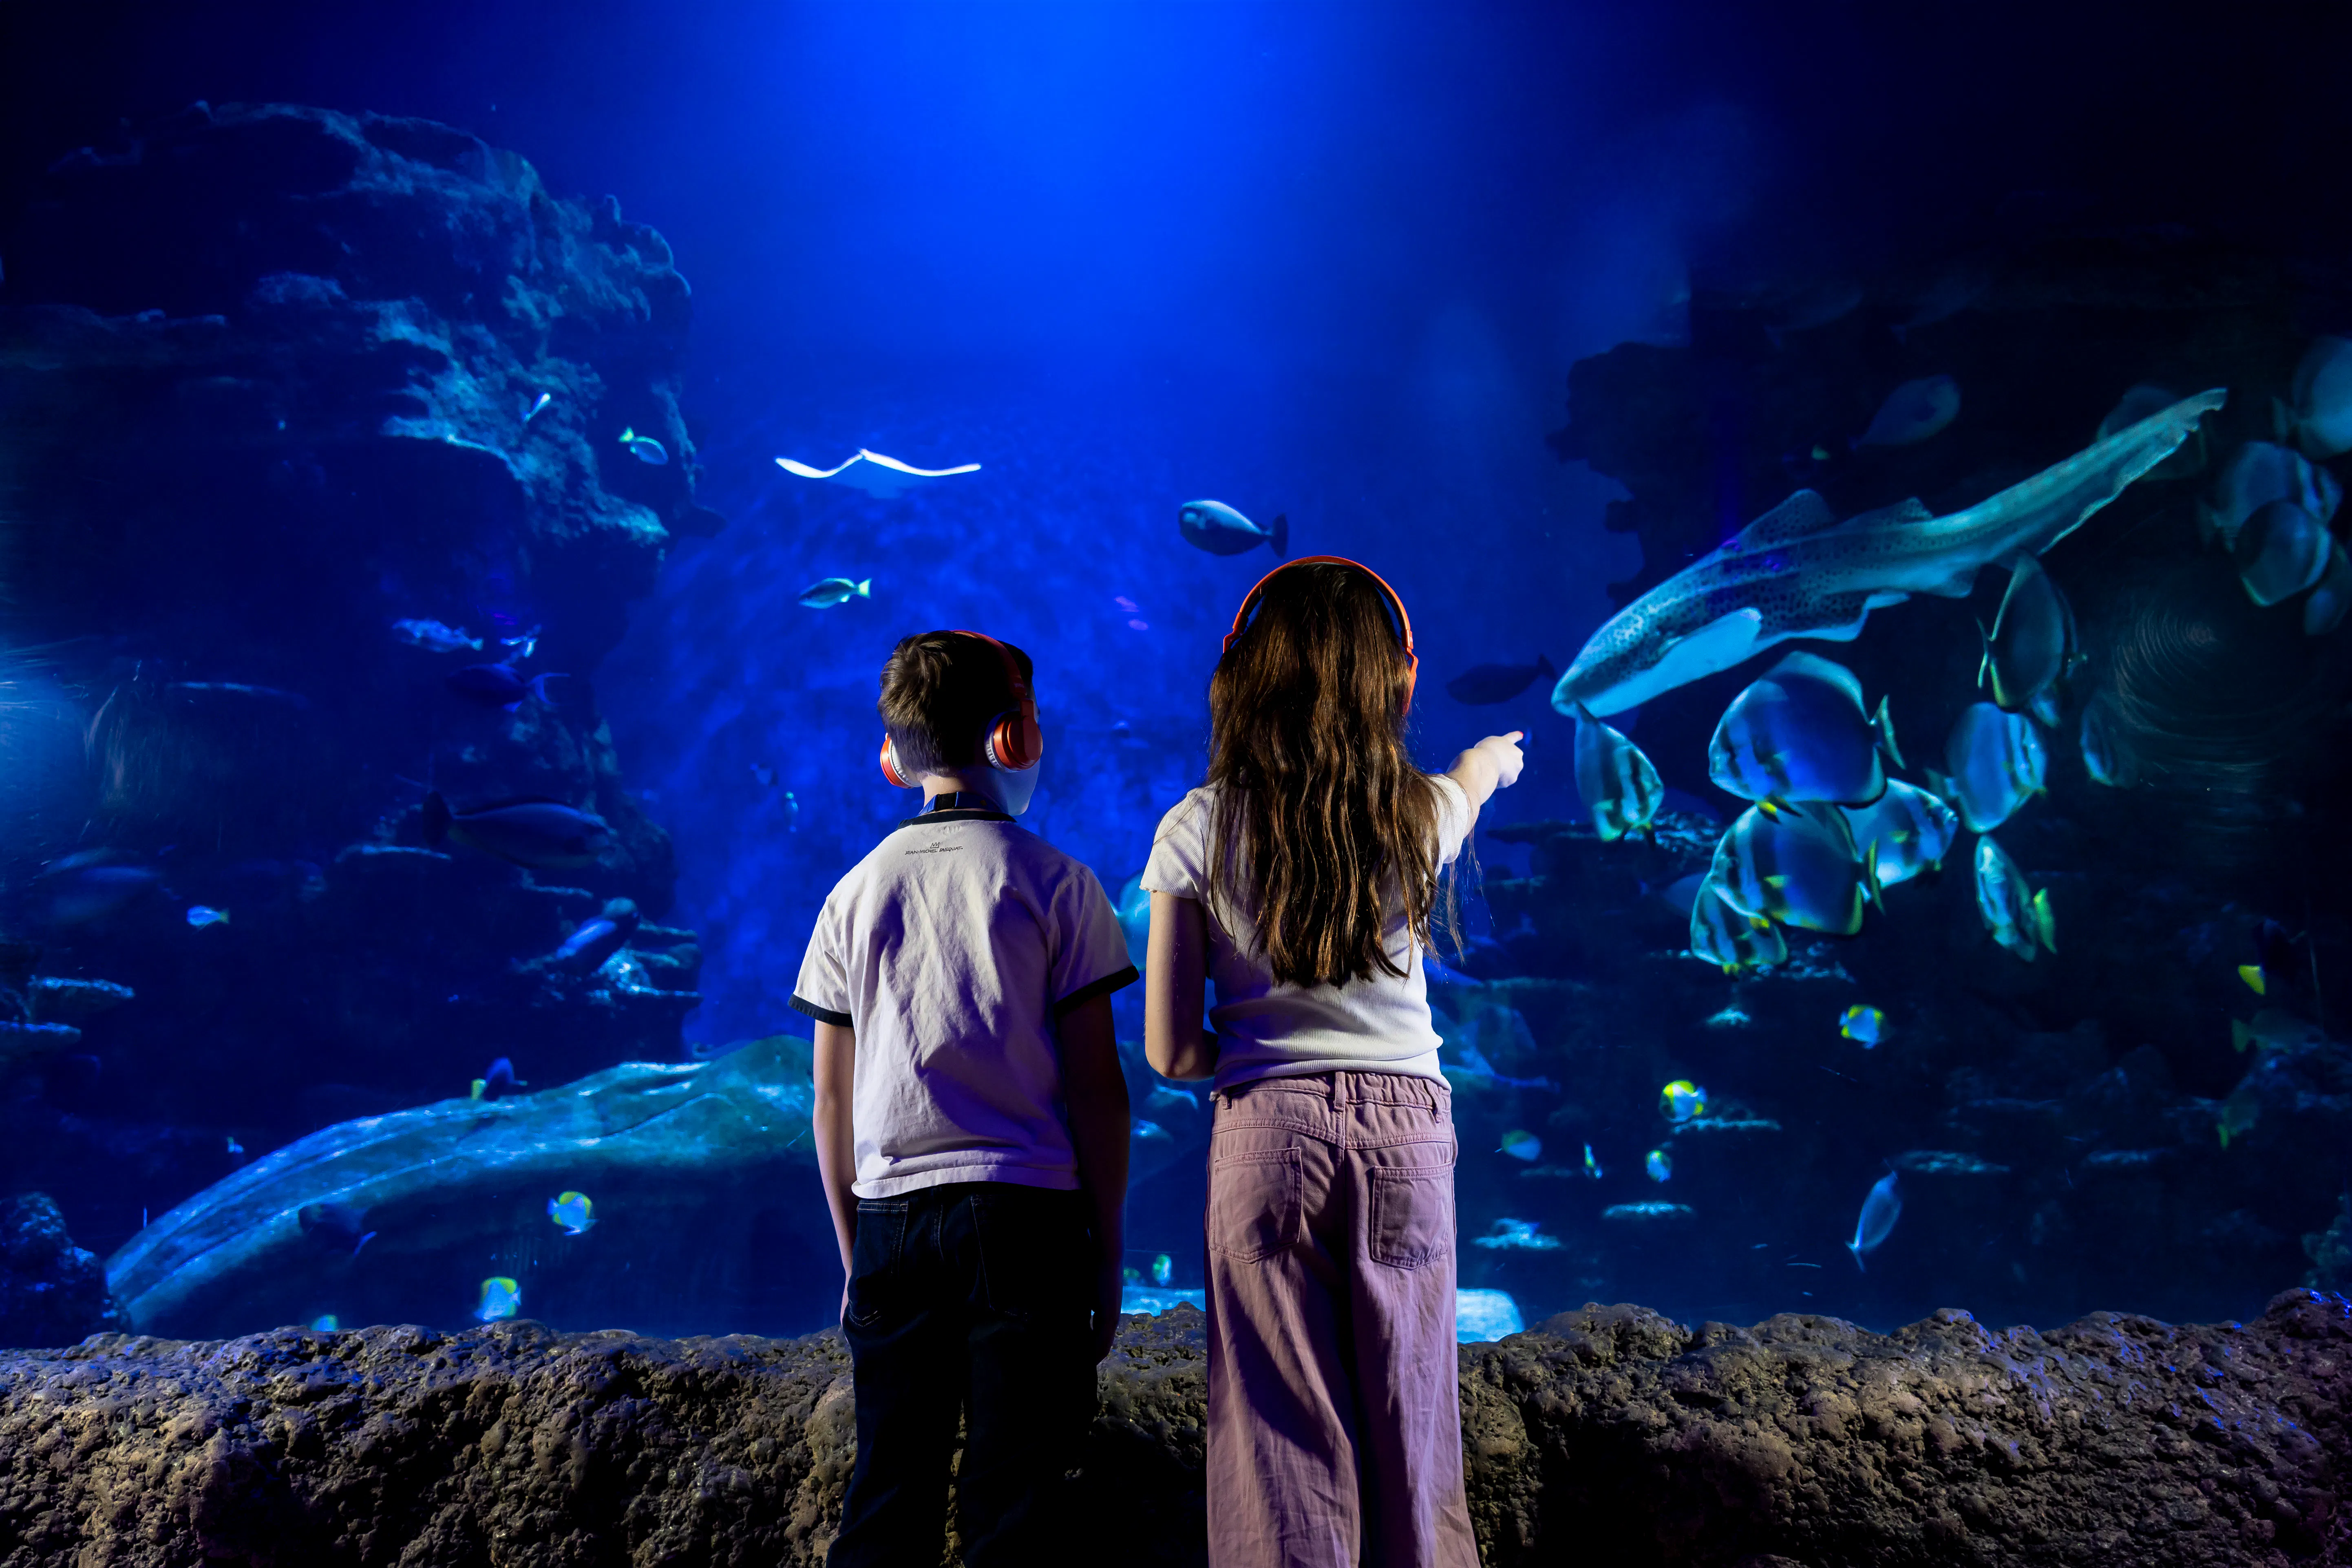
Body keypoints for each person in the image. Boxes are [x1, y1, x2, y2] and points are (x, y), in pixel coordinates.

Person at [1140, 558, 1523, 1568]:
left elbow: (1171, 1050)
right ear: (1397, 681)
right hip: (1407, 1134)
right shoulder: (1417, 814)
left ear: (1240, 674)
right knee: (1413, 1421)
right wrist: (1491, 758)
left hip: (1266, 1135)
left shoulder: (1196, 826)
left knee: (1282, 1442)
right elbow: (1468, 787)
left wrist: (1262, 1057)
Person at [794, 628, 1138, 1568]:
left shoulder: (851, 895)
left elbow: (830, 1102)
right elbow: (1098, 1090)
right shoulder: (1060, 885)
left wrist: (856, 1254)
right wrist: (1108, 1251)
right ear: (1012, 739)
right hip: (1029, 1221)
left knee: (886, 1493)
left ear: (892, 757)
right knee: (1016, 1505)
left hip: (891, 1222)